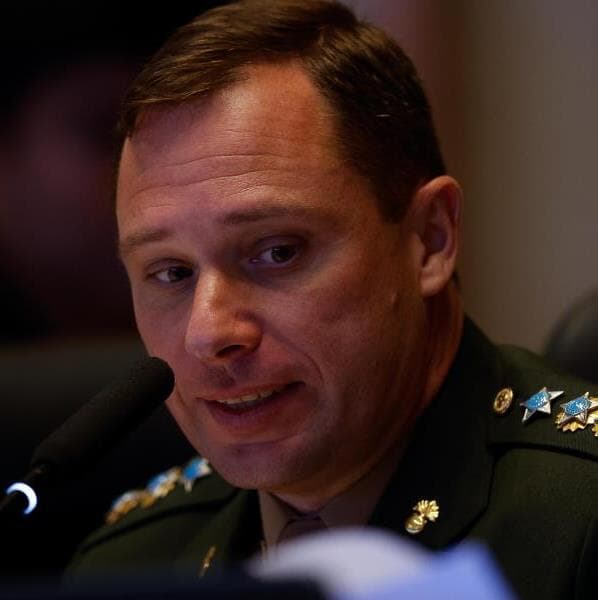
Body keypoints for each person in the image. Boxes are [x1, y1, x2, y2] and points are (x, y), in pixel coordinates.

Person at [65, 1, 598, 598]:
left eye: (277, 252)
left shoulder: (580, 521)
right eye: (171, 273)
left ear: (430, 238)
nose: (209, 332)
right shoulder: (129, 564)